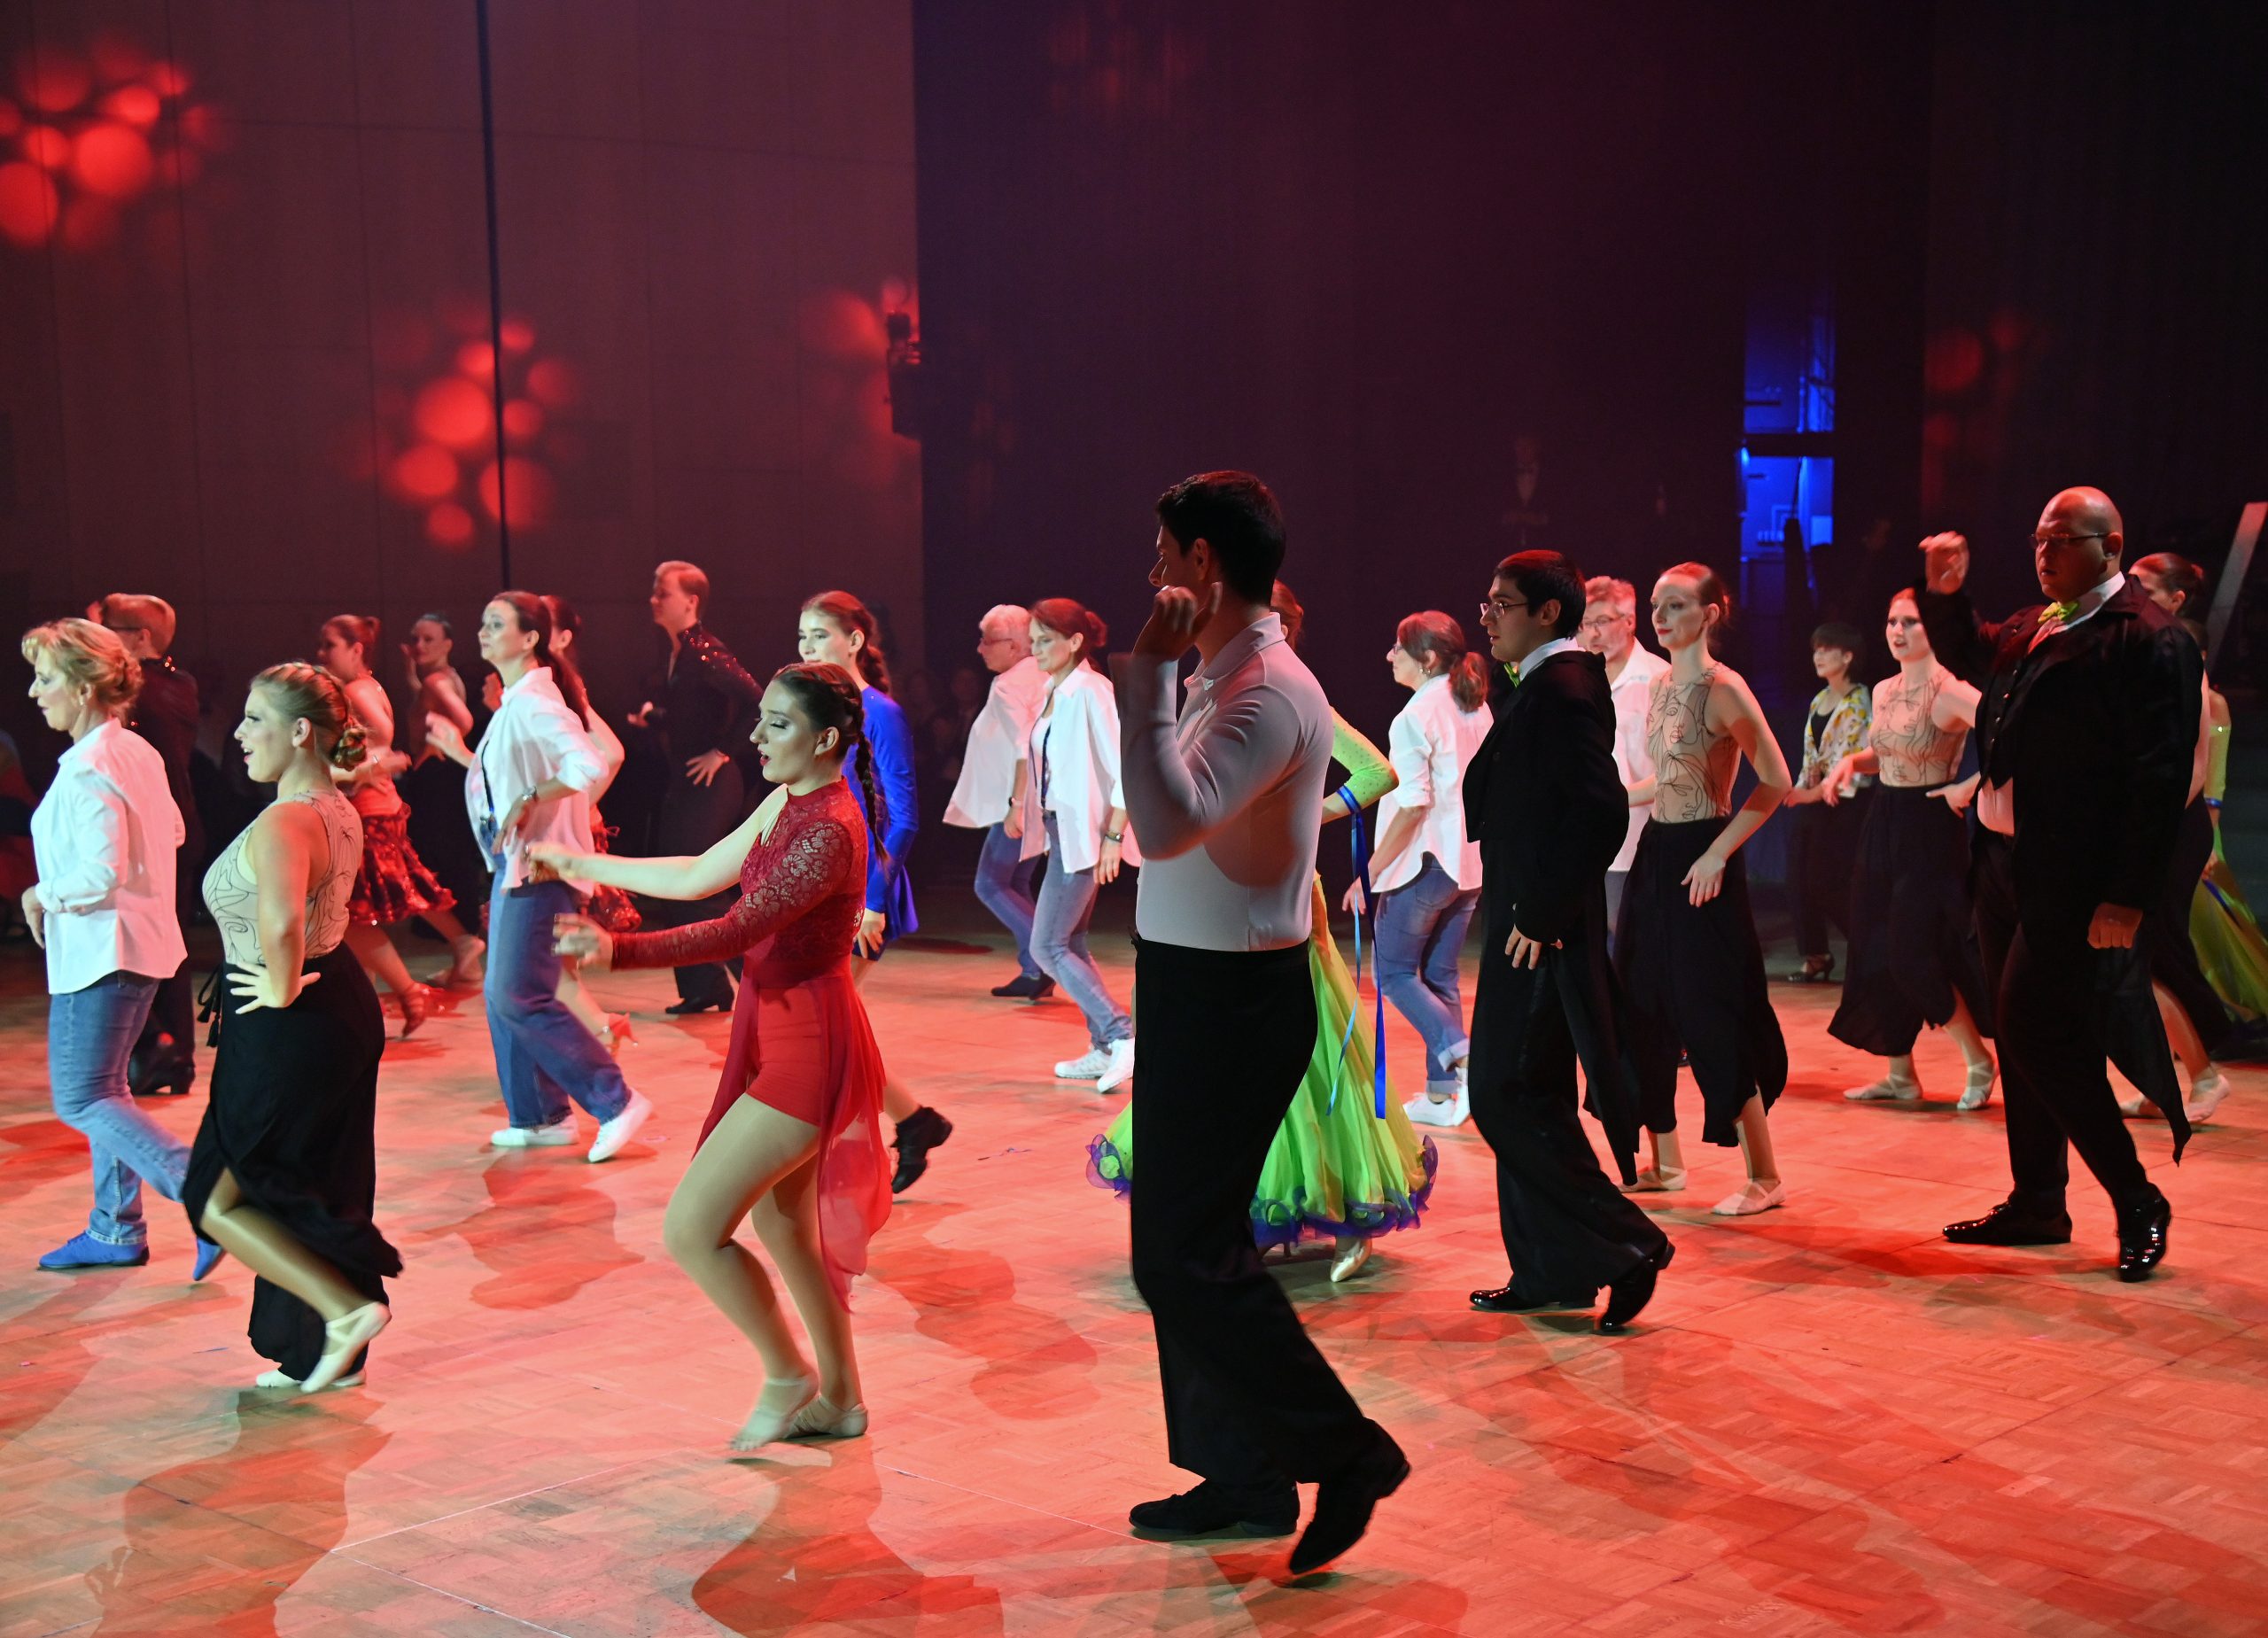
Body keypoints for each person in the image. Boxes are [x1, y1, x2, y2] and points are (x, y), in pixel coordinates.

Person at [1116, 470, 1404, 1577]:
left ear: (1204, 564)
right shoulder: (1228, 674)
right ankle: (1243, 1473)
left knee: (1181, 1256)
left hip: (1232, 998)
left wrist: (1144, 675)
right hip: (1196, 984)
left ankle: (1344, 1451)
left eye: (1163, 552)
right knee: (1187, 1250)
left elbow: (1166, 826)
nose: (1151, 571)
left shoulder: (1269, 691)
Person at [543, 664, 889, 1451]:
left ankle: (788, 1376)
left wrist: (618, 950)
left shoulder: (830, 828)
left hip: (810, 1044)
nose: (755, 735)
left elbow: (735, 929)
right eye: (760, 717)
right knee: (785, 1227)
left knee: (693, 1228)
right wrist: (582, 863)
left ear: (824, 739)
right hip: (772, 1028)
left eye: (776, 724)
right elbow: (701, 874)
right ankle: (841, 1400)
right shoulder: (788, 799)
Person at [1090, 581, 1436, 1285]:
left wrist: (1315, 813)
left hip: (1281, 906)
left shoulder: (1286, 692)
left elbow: (1379, 771)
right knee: (1234, 1065)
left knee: (1312, 1057)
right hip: (1214, 909)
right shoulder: (1209, 692)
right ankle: (1252, 1208)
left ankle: (1345, 1210)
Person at [1915, 493, 2199, 1281]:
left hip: (2076, 876)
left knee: (2036, 1029)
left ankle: (2137, 1197)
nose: (2044, 554)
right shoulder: (2039, 621)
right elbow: (1972, 652)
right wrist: (1945, 593)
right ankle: (2039, 1199)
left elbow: (2158, 777)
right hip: (2005, 864)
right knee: (2022, 1037)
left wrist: (2128, 895)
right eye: (2038, 539)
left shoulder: (2149, 637)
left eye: (2062, 540)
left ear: (2111, 544)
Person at [1461, 552, 1674, 1330]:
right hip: (1527, 920)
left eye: (1502, 603)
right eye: (1487, 601)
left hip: (1537, 931)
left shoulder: (1563, 687)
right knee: (1532, 1091)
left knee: (1503, 1094)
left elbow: (1600, 809)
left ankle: (1630, 1242)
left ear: (1548, 612)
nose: (1487, 616)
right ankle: (1550, 1268)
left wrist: (1541, 915)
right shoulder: (1549, 682)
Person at [185, 663, 396, 1393]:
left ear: (300, 729)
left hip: (289, 1016)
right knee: (317, 1179)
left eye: (254, 719)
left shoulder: (288, 817)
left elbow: (280, 922)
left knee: (216, 1195)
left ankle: (343, 1311)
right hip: (336, 1003)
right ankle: (319, 1353)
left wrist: (276, 985)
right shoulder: (336, 806)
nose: (240, 735)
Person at [21, 619, 213, 1277]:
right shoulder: (135, 751)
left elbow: (101, 871)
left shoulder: (91, 765)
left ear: (82, 687)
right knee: (107, 1090)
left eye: (45, 678)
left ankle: (205, 1190)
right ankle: (115, 1227)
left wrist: (41, 895)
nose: (34, 692)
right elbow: (175, 829)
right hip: (138, 946)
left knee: (81, 1097)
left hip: (103, 952)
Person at [1614, 563, 1795, 1215]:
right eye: (1656, 605)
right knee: (1642, 1002)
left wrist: (1719, 852)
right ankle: (1665, 1163)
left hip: (1704, 856)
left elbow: (1776, 780)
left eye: (1676, 605)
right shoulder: (1660, 684)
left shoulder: (1725, 688)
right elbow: (1668, 778)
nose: (1660, 617)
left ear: (1710, 613)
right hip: (1658, 855)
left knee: (1710, 1011)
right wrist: (1610, 798)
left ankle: (1765, 1175)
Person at [447, 593, 651, 1161]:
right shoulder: (517, 701)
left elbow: (589, 762)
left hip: (541, 868)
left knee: (520, 994)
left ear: (530, 637)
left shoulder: (536, 701)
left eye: (496, 624)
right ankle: (540, 1117)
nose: (483, 632)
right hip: (517, 866)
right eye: (483, 622)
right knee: (503, 995)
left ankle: (616, 1101)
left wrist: (533, 797)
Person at [1821, 592, 1997, 1107]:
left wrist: (1970, 786)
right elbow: (1886, 752)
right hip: (1884, 821)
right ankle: (1901, 1074)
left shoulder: (1951, 691)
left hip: (1930, 830)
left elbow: (2016, 737)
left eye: (1911, 622)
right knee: (1873, 945)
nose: (1897, 631)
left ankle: (1979, 1059)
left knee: (1911, 953)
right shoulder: (1884, 690)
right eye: (1892, 621)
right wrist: (1851, 762)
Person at [796, 592, 944, 1193]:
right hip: (819, 882)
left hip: (863, 888)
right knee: (829, 1024)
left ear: (854, 640)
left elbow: (904, 818)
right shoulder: (814, 710)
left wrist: (874, 902)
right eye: (802, 637)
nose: (807, 647)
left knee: (819, 1024)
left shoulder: (882, 713)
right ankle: (912, 1122)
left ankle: (848, 1151)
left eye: (819, 635)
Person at [315, 616, 485, 1036]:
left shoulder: (356, 690)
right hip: (377, 806)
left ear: (356, 649)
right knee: (384, 895)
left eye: (329, 645)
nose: (321, 653)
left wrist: (370, 762)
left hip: (371, 809)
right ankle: (375, 992)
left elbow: (382, 731)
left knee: (357, 909)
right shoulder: (367, 685)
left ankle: (402, 989)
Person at [1355, 611, 1490, 1130]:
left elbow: (1413, 806)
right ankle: (1441, 1096)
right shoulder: (1473, 705)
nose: (1389, 656)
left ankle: (1464, 1059)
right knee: (1439, 977)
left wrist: (1369, 871)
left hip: (1426, 863)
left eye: (1398, 647)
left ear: (1428, 658)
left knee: (1393, 974)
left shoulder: (1415, 715)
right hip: (1467, 864)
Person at [2115, 555, 2236, 1120]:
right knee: (2136, 959)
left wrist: (2146, 826)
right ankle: (2165, 1078)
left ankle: (2205, 1076)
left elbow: (2196, 765)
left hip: (2169, 825)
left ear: (2176, 599)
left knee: (2154, 954)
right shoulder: (2147, 650)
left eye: (2143, 586)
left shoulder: (2182, 656)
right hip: (2145, 822)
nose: (2130, 592)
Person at [1011, 598, 1138, 1090]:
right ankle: (1104, 1046)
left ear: (1075, 641)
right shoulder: (1054, 689)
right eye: (1033, 641)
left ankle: (1121, 1036)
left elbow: (1125, 766)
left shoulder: (1091, 690)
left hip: (1086, 834)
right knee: (1071, 942)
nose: (1035, 650)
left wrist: (1113, 836)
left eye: (1045, 641)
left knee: (1047, 945)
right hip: (1062, 831)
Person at [633, 562, 765, 1015]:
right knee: (675, 882)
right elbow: (690, 716)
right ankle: (704, 986)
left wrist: (723, 752)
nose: (653, 600)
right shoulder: (679, 652)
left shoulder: (705, 650)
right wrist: (654, 718)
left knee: (699, 885)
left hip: (710, 785)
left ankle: (759, 979)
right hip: (686, 782)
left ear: (690, 602)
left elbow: (757, 701)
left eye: (662, 593)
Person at [92, 594, 204, 1097]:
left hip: (154, 831)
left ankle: (159, 1045)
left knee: (140, 940)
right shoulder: (179, 682)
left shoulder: (146, 690)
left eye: (109, 629)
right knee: (165, 942)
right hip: (176, 826)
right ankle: (173, 1055)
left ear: (140, 638)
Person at [540, 594, 636, 1056]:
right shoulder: (547, 685)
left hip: (559, 840)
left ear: (560, 638)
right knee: (549, 959)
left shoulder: (560, 686)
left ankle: (599, 1033)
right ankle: (592, 1035)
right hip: (553, 837)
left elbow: (612, 753)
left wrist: (573, 807)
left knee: (547, 959)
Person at [944, 604, 1052, 998]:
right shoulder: (1044, 674)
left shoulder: (1008, 685)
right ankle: (1035, 968)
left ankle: (1047, 956)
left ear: (1014, 645)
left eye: (988, 640)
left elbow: (1026, 746)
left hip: (1022, 801)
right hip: (1042, 798)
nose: (980, 649)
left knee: (990, 883)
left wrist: (1016, 805)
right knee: (1015, 882)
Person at [1778, 623, 1873, 983]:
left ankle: (1870, 951)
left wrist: (1807, 794)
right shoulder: (1820, 700)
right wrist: (1799, 789)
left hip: (1845, 803)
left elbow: (1846, 764)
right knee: (1797, 878)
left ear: (1847, 656)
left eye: (1826, 649)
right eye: (1816, 649)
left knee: (1827, 882)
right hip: (1816, 798)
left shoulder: (1859, 702)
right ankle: (1816, 954)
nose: (1818, 655)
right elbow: (1812, 758)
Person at [1578, 577, 1669, 935]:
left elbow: (1675, 771)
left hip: (1637, 840)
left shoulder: (1660, 679)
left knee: (1629, 941)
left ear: (1630, 621)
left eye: (1601, 621)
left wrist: (1611, 800)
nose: (1592, 633)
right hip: (1581, 839)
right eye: (1585, 624)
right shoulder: (1578, 678)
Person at [397, 612, 491, 929]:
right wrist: (412, 679)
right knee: (448, 849)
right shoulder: (443, 677)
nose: (419, 645)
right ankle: (458, 927)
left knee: (437, 853)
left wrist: (441, 743)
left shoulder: (436, 682)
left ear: (447, 644)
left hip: (436, 777)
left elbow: (464, 719)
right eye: (415, 639)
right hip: (443, 776)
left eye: (428, 639)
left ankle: (452, 929)